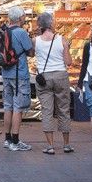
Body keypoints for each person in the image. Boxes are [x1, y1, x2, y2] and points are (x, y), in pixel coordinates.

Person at [33, 11, 73, 154]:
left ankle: (50, 146)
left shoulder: (35, 41)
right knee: (63, 110)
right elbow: (68, 62)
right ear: (51, 23)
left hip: (44, 78)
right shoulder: (62, 39)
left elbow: (32, 54)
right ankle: (66, 144)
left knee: (47, 111)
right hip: (61, 76)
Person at [0, 6, 34, 151]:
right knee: (18, 108)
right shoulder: (21, 32)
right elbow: (30, 52)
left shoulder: (3, 31)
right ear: (20, 18)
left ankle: (7, 139)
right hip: (19, 74)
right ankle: (15, 140)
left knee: (8, 106)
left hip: (6, 73)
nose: (25, 18)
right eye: (24, 16)